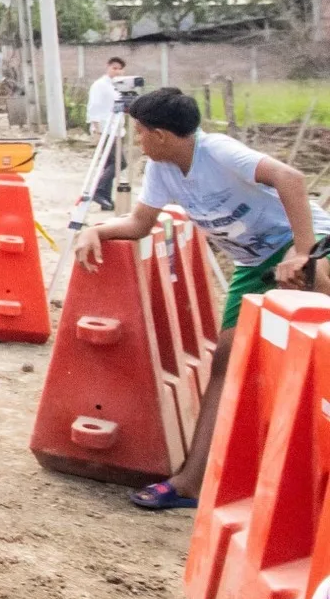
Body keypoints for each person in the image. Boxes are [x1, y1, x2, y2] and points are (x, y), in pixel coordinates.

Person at [72, 87, 330, 511]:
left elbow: (291, 178)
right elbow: (140, 223)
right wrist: (96, 230)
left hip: (307, 244)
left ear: (159, 134)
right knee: (225, 360)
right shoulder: (163, 169)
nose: (138, 141)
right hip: (253, 266)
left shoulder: (220, 152)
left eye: (140, 133)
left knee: (311, 335)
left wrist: (303, 252)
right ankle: (190, 482)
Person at [84, 56, 129, 211]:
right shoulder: (100, 85)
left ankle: (106, 199)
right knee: (120, 162)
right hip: (104, 129)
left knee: (110, 163)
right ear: (108, 67)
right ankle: (98, 190)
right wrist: (96, 130)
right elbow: (93, 107)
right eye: (114, 68)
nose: (117, 71)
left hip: (116, 129)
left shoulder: (118, 86)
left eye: (119, 69)